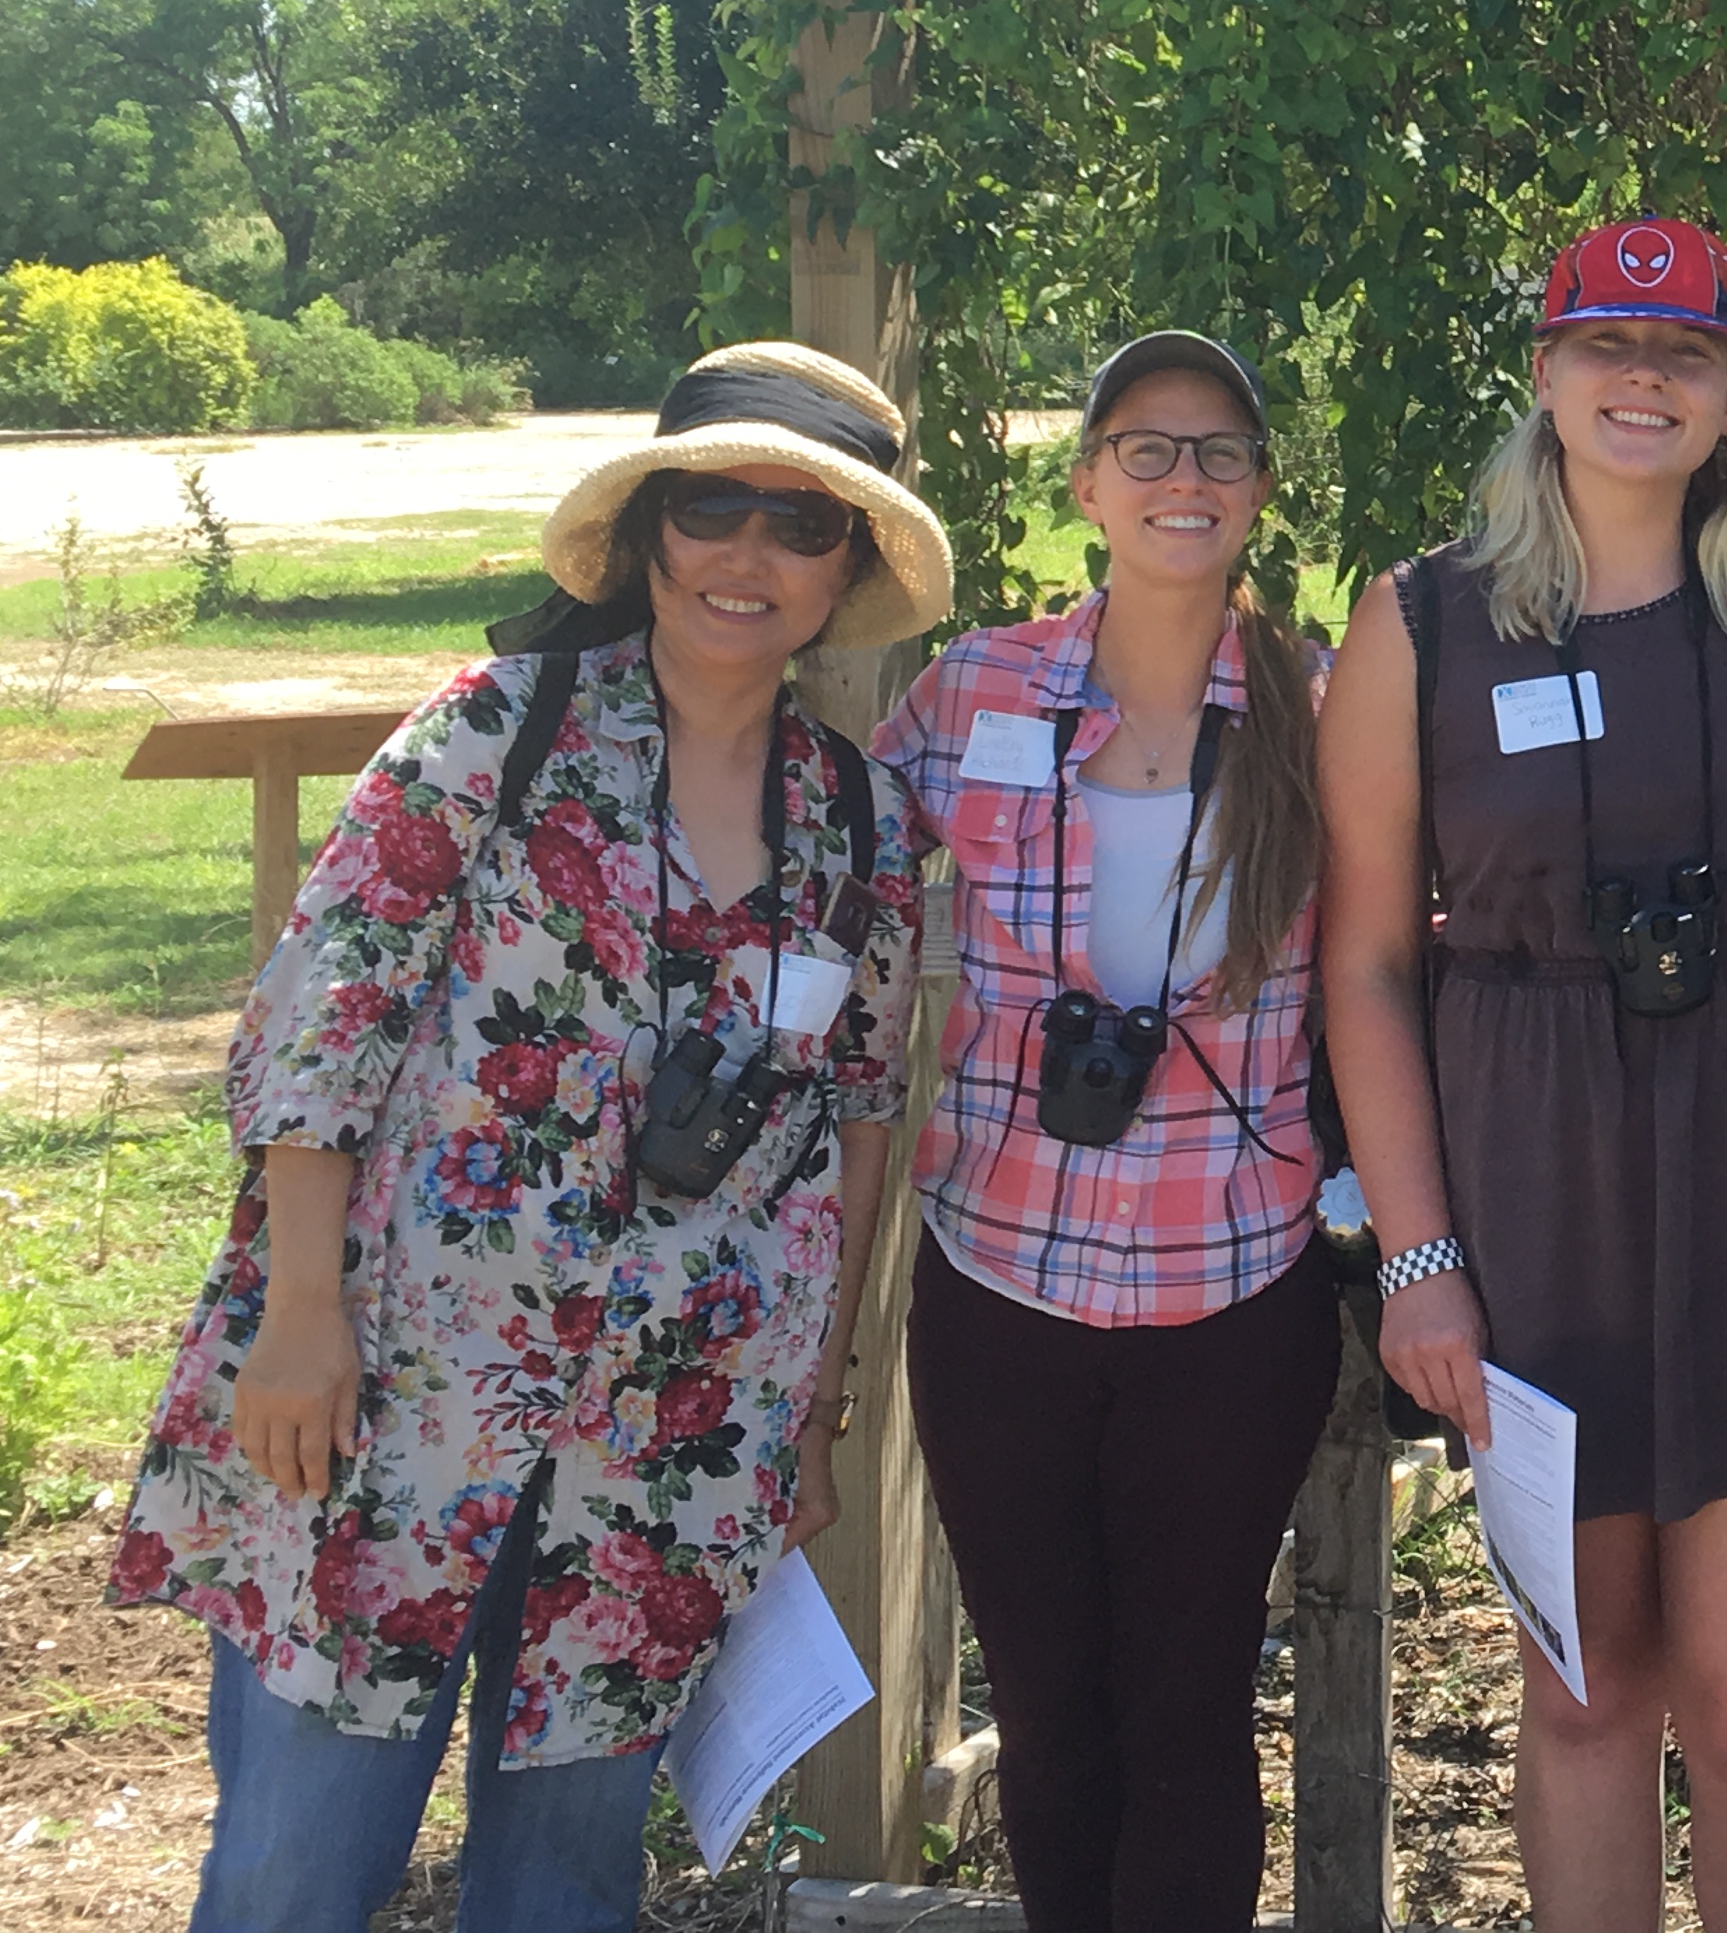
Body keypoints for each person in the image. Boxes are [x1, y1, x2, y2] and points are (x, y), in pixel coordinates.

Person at [113, 341, 947, 1933]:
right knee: (298, 1863)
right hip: (392, 1395)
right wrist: (297, 1313)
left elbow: (854, 1133)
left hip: (675, 1433)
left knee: (564, 1883)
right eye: (715, 506)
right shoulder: (494, 738)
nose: (749, 556)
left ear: (846, 572)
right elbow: (320, 1017)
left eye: (803, 524)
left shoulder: (860, 824)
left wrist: (815, 1420)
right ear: (649, 533)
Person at [1318, 214, 1727, 1933]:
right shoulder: (1419, 621)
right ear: (1546, 373)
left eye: (1685, 352)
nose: (1644, 378)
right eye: (1607, 346)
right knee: (1582, 1692)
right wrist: (1419, 1260)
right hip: (1536, 1196)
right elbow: (1365, 962)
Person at [870, 332, 1337, 1933]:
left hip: (1231, 1287)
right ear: (1087, 484)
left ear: (1263, 490)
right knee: (1051, 1712)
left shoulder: (1327, 708)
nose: (1182, 480)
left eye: (1218, 451)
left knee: (1192, 1706)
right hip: (1000, 1278)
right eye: (1146, 448)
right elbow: (820, 871)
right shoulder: (975, 690)